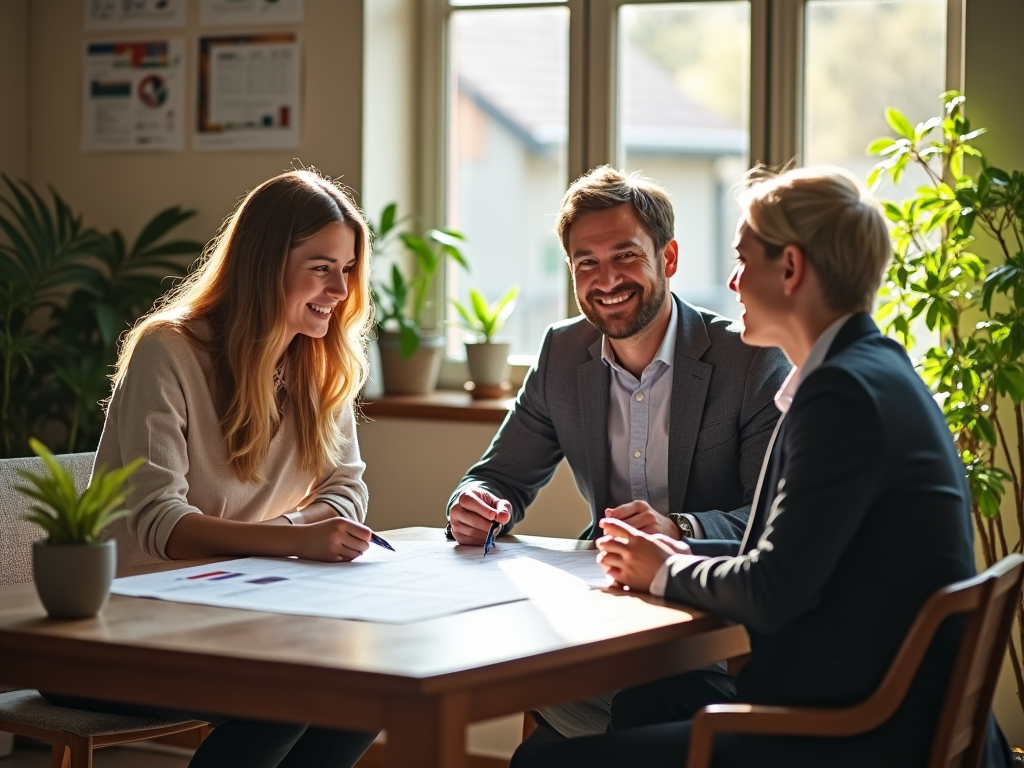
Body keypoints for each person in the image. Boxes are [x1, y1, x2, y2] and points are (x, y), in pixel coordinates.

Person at [510, 166, 1012, 768]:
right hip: (884, 711)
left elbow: (772, 589)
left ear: (792, 270)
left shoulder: (840, 395)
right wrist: (673, 559)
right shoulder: (872, 368)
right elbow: (788, 561)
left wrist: (663, 569)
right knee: (653, 699)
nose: (732, 280)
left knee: (544, 762)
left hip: (852, 736)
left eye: (744, 260)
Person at [42, 170, 380, 768]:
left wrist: (303, 536)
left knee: (366, 689)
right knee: (286, 697)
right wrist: (296, 540)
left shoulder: (318, 361)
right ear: (264, 263)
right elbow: (161, 525)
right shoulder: (167, 350)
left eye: (348, 268)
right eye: (321, 266)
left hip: (240, 620)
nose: (340, 288)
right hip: (116, 632)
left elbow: (345, 488)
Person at [447, 166, 791, 737]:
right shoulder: (562, 351)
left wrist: (678, 528)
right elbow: (499, 475)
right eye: (587, 263)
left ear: (669, 258)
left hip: (706, 625)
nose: (606, 279)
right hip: (602, 617)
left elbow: (772, 520)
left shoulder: (749, 360)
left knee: (585, 735)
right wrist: (478, 501)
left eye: (625, 256)